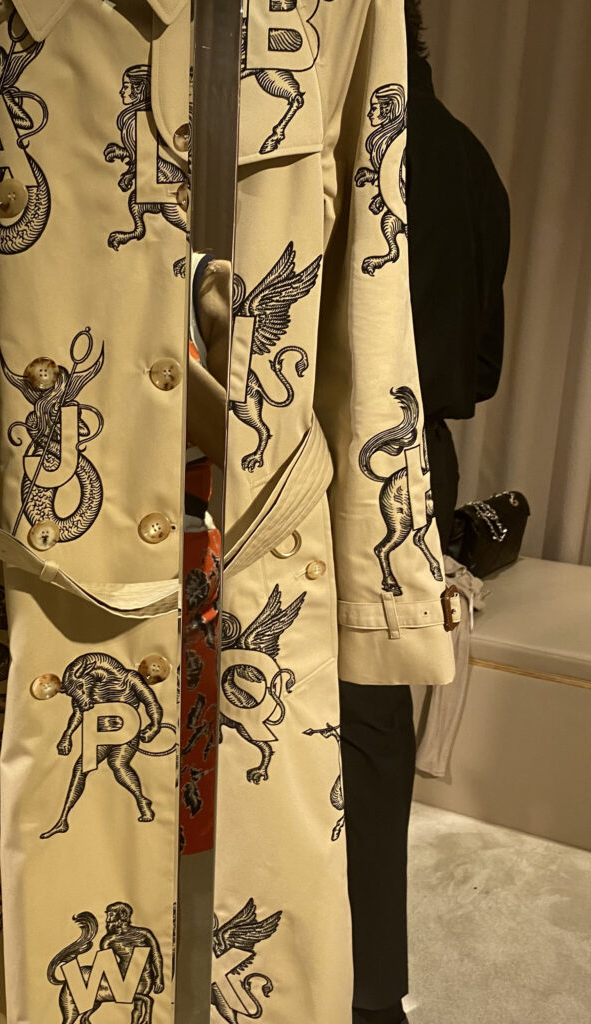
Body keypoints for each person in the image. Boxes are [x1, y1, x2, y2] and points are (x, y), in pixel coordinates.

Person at [339, 3, 511, 1023]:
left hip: (331, 451)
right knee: (374, 717)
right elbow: (482, 370)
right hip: (422, 461)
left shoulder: (341, 155)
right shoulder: (474, 164)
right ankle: (372, 987)